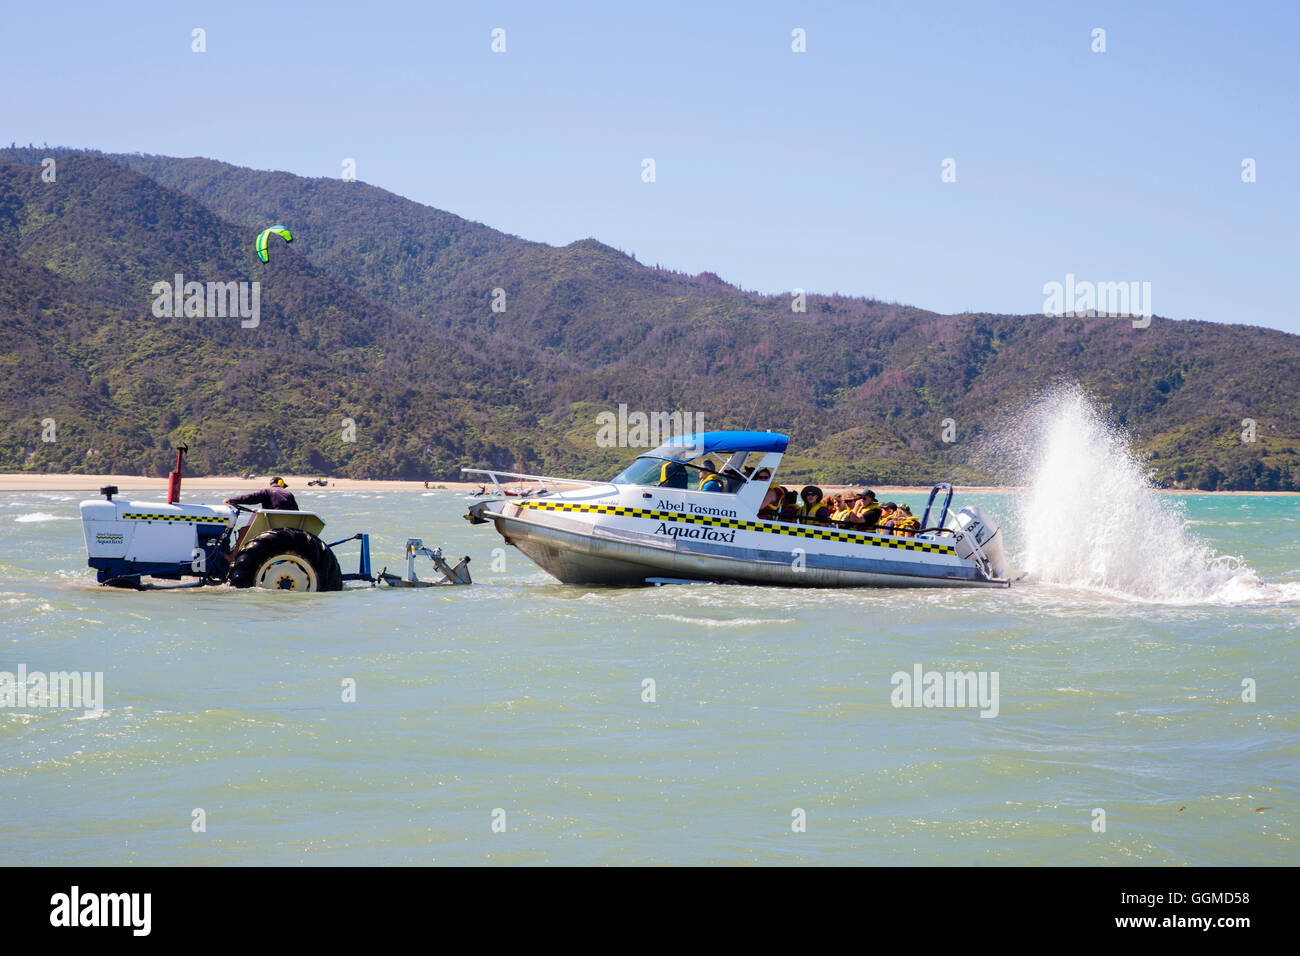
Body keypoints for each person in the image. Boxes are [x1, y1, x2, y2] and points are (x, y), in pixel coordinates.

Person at [224, 477, 299, 511]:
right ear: (281, 484)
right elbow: (296, 510)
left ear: (271, 484)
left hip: (270, 522)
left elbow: (251, 498)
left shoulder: (266, 491)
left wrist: (232, 500)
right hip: (288, 523)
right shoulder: (289, 494)